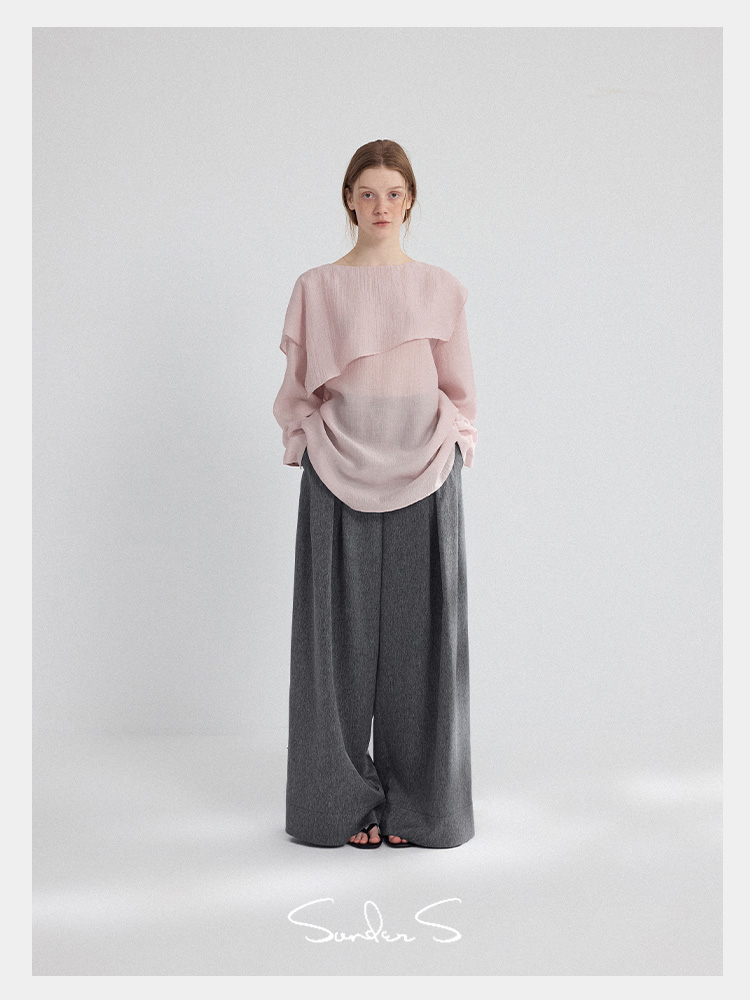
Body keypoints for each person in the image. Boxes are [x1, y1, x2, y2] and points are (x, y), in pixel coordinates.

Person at [273, 139, 478, 850]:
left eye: (393, 193)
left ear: (410, 201)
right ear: (348, 200)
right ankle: (339, 804)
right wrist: (308, 441)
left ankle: (423, 807)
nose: (380, 206)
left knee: (426, 645)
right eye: (367, 193)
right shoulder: (316, 287)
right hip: (336, 465)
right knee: (334, 647)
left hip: (427, 466)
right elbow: (298, 389)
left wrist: (458, 442)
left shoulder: (441, 287)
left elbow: (459, 387)